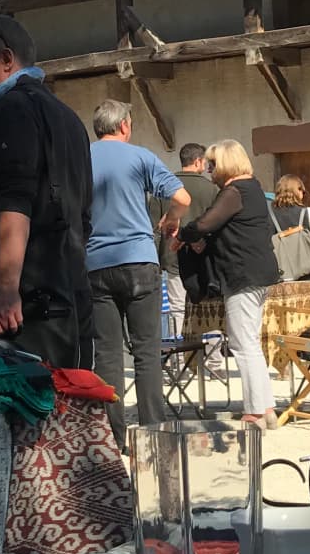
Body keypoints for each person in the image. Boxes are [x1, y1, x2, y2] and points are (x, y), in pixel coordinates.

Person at [0, 15, 93, 370]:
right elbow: (83, 215)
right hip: (67, 296)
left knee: (7, 403)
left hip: (25, 309)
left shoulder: (12, 108)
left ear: (6, 59)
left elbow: (15, 199)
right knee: (67, 400)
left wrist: (6, 288)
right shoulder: (69, 117)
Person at [86, 99, 189, 433]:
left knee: (107, 355)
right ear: (124, 125)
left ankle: (112, 437)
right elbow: (182, 198)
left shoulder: (80, 158)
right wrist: (171, 219)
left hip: (95, 263)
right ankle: (153, 433)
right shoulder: (141, 157)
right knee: (147, 352)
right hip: (138, 259)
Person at [178, 140, 281, 428]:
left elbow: (204, 224)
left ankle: (255, 413)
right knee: (250, 342)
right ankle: (266, 408)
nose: (209, 169)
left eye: (213, 164)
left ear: (226, 164)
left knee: (242, 344)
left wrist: (183, 235)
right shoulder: (254, 188)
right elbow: (229, 230)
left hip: (242, 274)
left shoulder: (234, 191)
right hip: (258, 273)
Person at [156, 142, 217, 339]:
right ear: (198, 161)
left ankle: (181, 354)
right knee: (208, 309)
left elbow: (154, 227)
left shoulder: (164, 188)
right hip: (203, 259)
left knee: (177, 309)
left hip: (172, 256)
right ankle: (211, 354)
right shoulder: (211, 189)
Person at [271, 174, 310, 281]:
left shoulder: (269, 216)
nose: (303, 195)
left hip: (283, 275)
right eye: (303, 191)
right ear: (298, 191)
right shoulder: (309, 213)